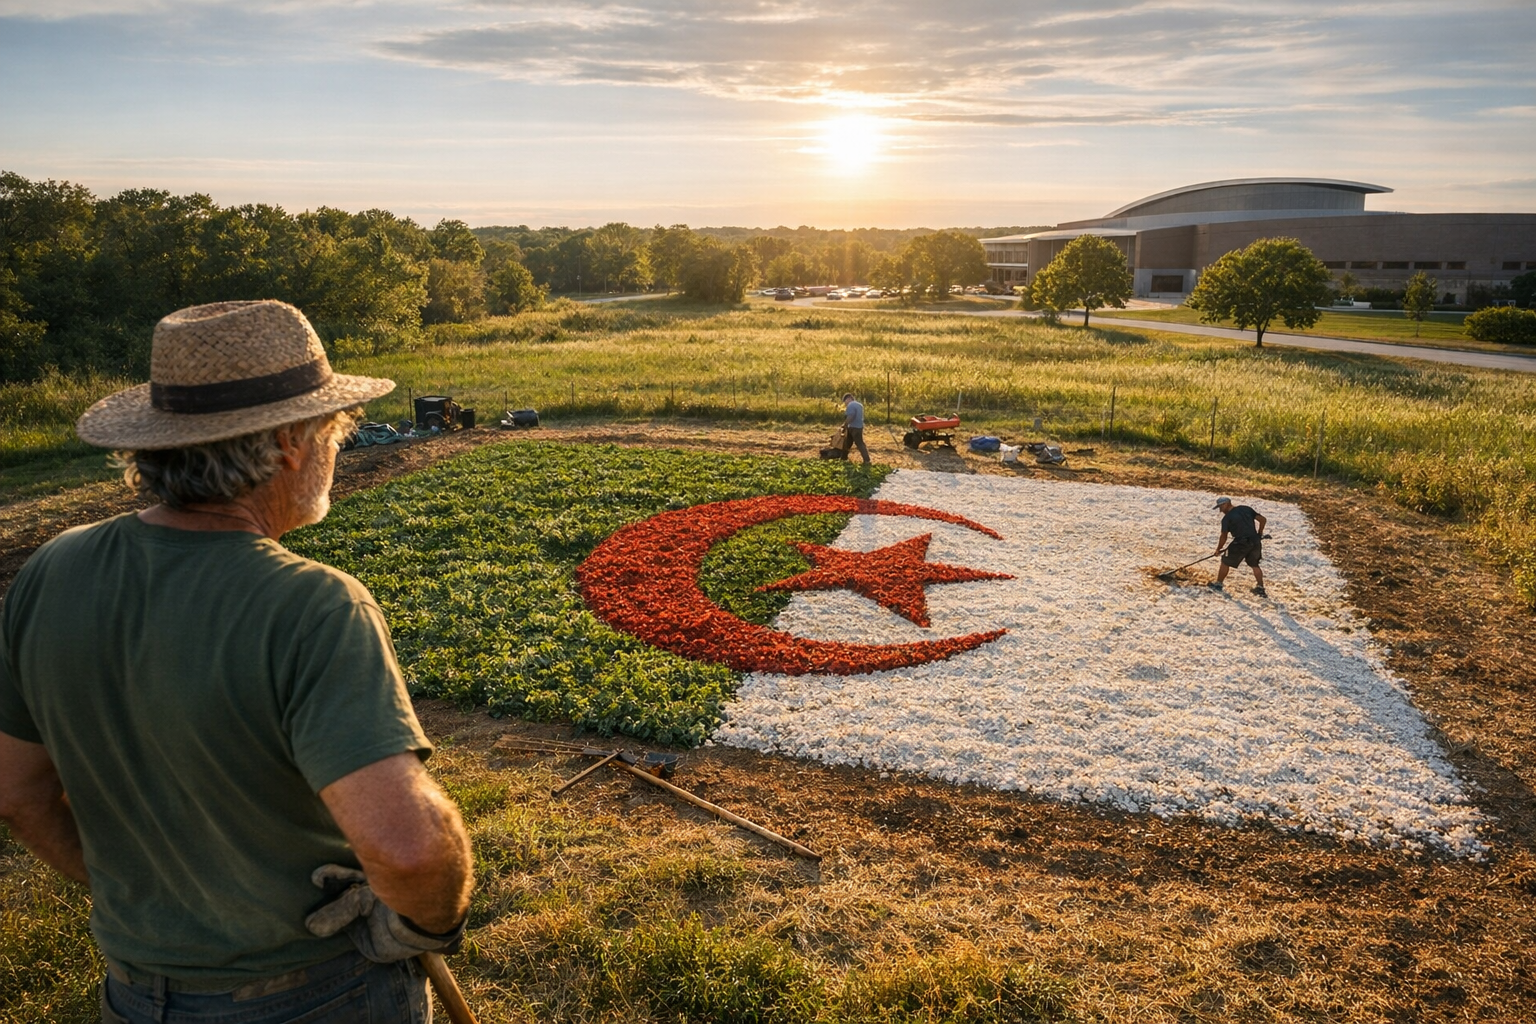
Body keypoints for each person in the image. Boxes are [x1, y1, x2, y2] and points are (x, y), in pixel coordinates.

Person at [0, 300, 474, 1024]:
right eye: (331, 435)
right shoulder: (312, 606)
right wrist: (423, 925)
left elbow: (18, 793)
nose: (334, 454)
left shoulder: (52, 568)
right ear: (290, 442)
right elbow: (407, 851)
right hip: (315, 995)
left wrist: (142, 899)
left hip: (134, 992)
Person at [1208, 496, 1268, 597]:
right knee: (1254, 564)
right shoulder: (1246, 509)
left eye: (1220, 507)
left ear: (1226, 504)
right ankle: (1260, 588)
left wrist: (1218, 549)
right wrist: (1259, 533)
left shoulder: (1227, 518)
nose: (1220, 510)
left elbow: (1224, 536)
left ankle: (1218, 584)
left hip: (1240, 542)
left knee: (1225, 561)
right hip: (1255, 541)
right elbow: (1262, 520)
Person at [841, 392, 871, 466]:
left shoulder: (851, 405)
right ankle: (843, 458)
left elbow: (851, 416)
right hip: (859, 426)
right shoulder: (860, 405)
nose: (845, 404)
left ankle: (867, 460)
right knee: (847, 443)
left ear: (849, 398)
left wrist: (845, 425)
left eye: (845, 401)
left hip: (853, 427)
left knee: (859, 443)